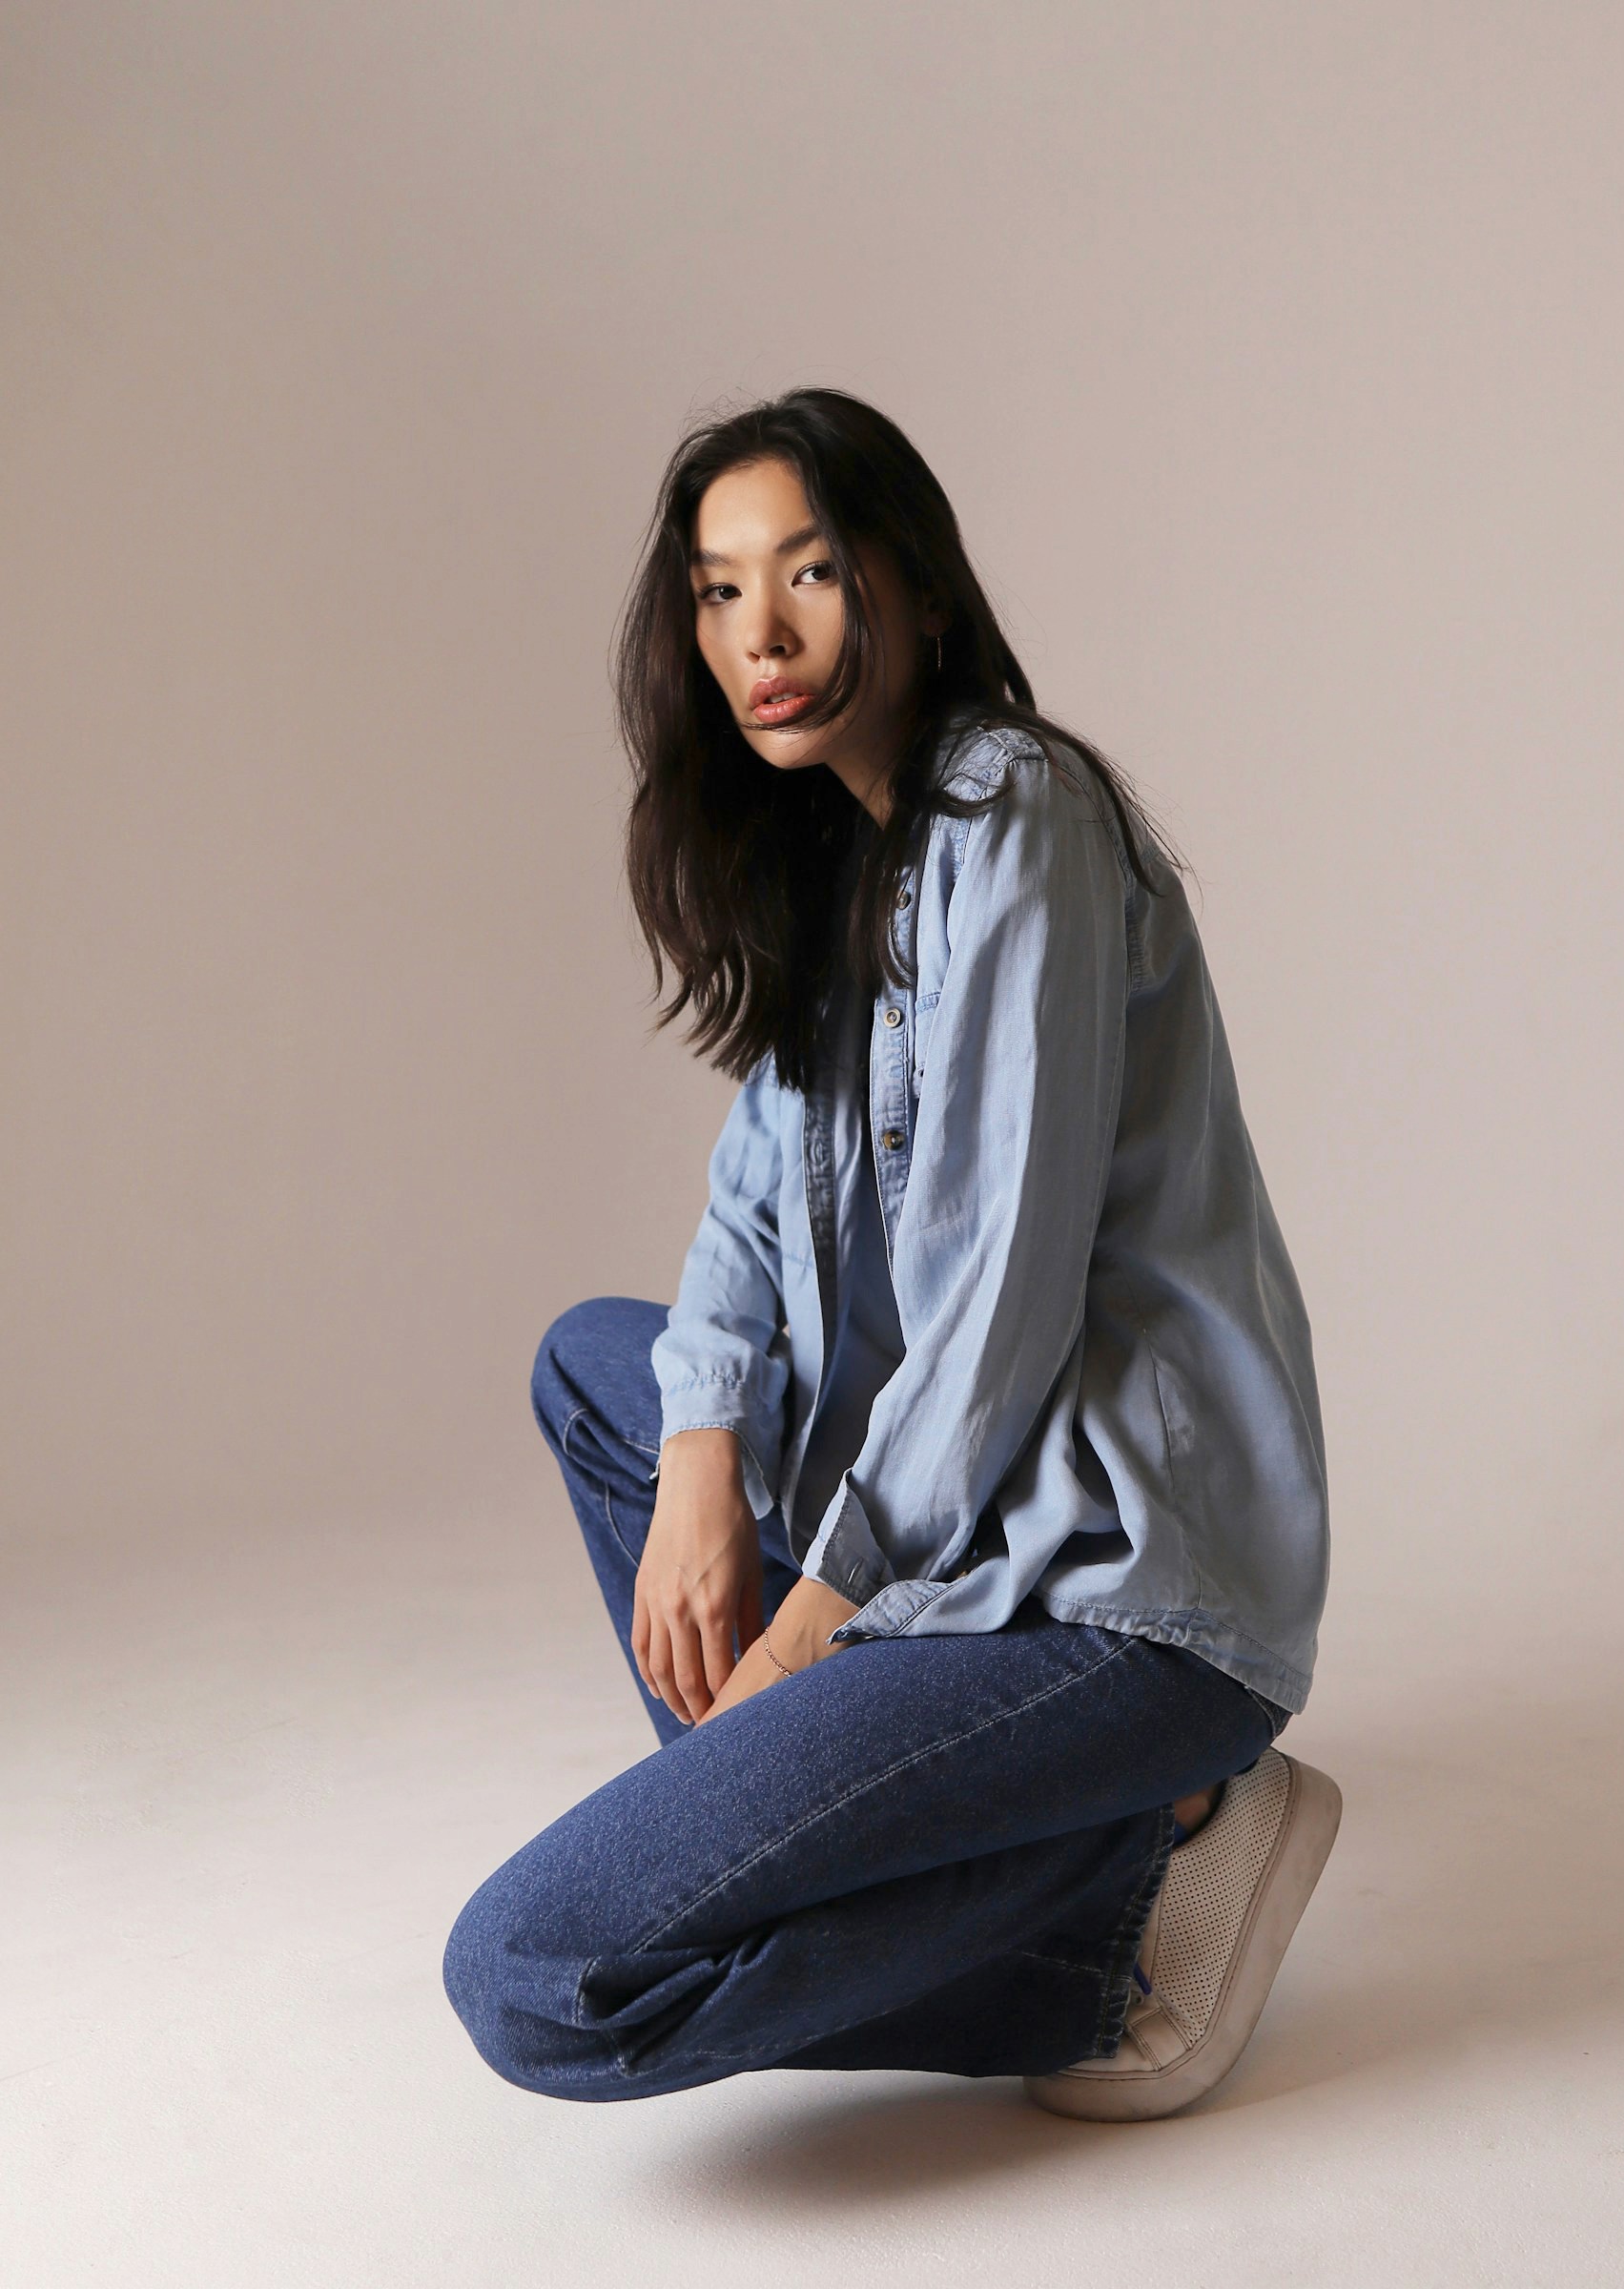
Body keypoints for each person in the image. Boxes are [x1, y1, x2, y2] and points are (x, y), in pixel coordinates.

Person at [442, 386, 1339, 2121]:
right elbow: (740, 1222)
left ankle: (1134, 1911)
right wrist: (701, 1461)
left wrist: (805, 1643)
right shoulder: (844, 855)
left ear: (914, 590)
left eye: (809, 573)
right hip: (940, 1546)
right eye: (715, 591)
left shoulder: (1016, 816)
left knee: (538, 1977)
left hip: (1105, 1593)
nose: (757, 635)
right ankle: (983, 1824)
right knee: (600, 1365)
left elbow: (1001, 1313)